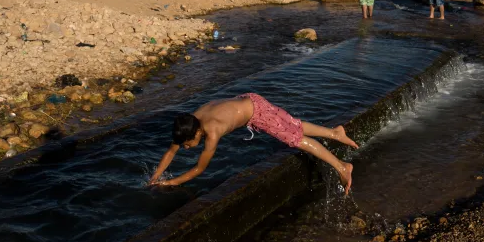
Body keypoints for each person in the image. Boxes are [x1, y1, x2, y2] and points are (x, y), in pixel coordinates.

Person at [149, 93, 358, 193]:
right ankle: (334, 133)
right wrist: (156, 176)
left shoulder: (212, 133)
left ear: (196, 134)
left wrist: (171, 182)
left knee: (295, 139)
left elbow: (199, 169)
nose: (185, 148)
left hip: (257, 113)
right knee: (291, 125)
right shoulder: (192, 120)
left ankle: (341, 167)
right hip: (250, 99)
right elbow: (171, 151)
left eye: (187, 145)